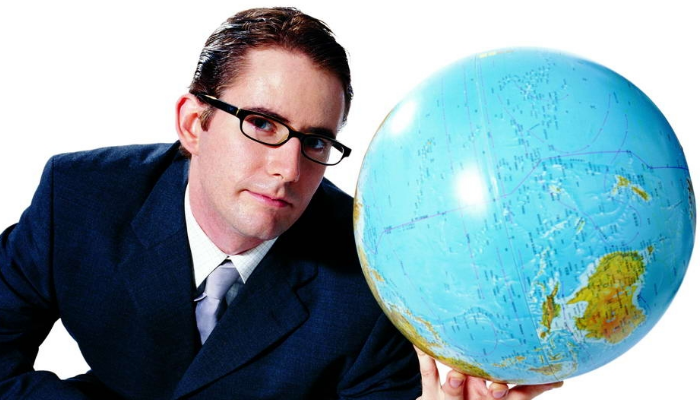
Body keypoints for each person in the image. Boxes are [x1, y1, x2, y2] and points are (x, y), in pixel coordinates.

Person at [0, 7, 561, 400]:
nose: (289, 169)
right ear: (194, 123)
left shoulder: (373, 278)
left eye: (315, 141)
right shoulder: (80, 198)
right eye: (263, 124)